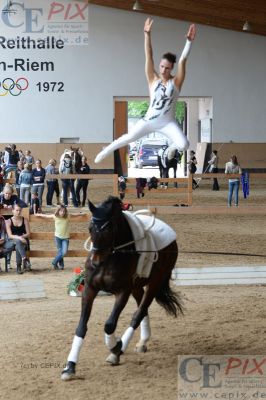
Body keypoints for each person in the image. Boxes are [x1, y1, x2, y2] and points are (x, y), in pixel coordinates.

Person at [94, 18, 196, 164]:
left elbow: (182, 61)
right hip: (148, 120)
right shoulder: (152, 79)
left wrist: (189, 42)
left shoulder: (176, 82)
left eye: (167, 68)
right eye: (161, 66)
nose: (163, 70)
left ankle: (171, 149)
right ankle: (105, 150)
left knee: (184, 145)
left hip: (168, 123)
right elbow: (149, 55)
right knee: (129, 137)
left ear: (171, 68)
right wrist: (147, 35)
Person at [36, 205, 85, 270]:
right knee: (60, 252)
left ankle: (54, 262)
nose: (62, 212)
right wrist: (39, 214)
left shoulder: (67, 216)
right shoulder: (55, 216)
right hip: (57, 237)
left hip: (65, 238)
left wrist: (81, 214)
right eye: (61, 211)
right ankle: (61, 266)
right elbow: (46, 216)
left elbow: (74, 215)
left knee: (64, 252)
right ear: (58, 211)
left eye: (64, 211)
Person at [5, 203, 31, 274]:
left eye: (20, 210)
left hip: (22, 241)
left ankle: (19, 267)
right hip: (11, 241)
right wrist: (19, 237)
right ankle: (23, 259)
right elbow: (10, 235)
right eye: (16, 210)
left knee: (18, 245)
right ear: (12, 211)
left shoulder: (25, 220)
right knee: (18, 242)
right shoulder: (8, 221)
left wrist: (21, 237)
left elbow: (28, 234)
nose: (18, 212)